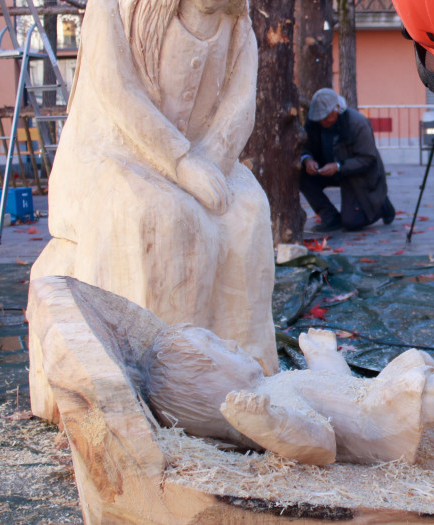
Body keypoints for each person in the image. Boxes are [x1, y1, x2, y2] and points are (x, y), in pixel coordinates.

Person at [31, 0, 278, 373]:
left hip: (206, 159)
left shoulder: (238, 25)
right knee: (164, 217)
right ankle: (163, 378)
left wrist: (208, 162)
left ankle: (246, 373)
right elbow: (116, 89)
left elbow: (240, 107)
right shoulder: (112, 8)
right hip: (111, 154)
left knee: (247, 212)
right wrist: (180, 161)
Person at [299, 88, 395, 232]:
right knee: (301, 176)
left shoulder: (358, 123)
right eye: (319, 119)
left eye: (326, 117)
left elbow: (367, 159)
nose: (323, 122)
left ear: (337, 109)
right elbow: (304, 147)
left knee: (351, 222)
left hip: (356, 175)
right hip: (326, 170)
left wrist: (338, 166)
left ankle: (383, 206)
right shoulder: (313, 123)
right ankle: (330, 216)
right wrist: (307, 160)